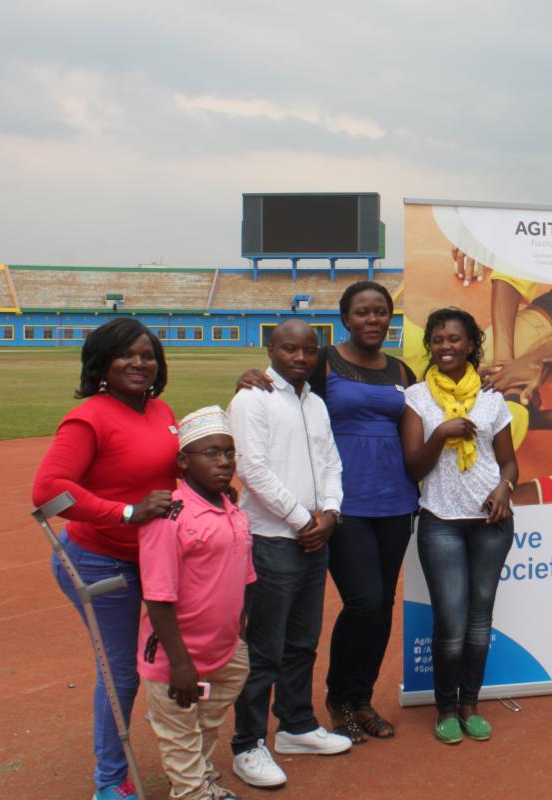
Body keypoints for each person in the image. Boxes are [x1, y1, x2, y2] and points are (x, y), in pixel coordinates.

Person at [237, 282, 418, 743]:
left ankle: (362, 698)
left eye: (381, 312)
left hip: (396, 501)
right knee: (363, 603)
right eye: (362, 312)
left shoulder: (402, 370)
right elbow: (283, 391)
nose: (372, 320)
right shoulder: (322, 364)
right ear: (345, 318)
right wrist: (248, 377)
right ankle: (338, 698)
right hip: (343, 507)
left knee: (382, 607)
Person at [31, 318, 178, 800]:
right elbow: (48, 493)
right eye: (126, 355)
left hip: (155, 558)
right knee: (120, 672)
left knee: (177, 656)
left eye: (147, 355)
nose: (139, 363)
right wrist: (127, 512)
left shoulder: (161, 411)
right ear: (101, 363)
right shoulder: (89, 417)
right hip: (100, 564)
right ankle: (110, 782)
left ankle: (185, 758)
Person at [228, 319, 350, 790]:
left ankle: (296, 725)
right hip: (272, 539)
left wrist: (332, 513)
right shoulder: (251, 399)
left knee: (302, 642)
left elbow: (331, 461)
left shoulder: (316, 403)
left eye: (308, 351)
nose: (299, 358)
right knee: (264, 650)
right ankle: (247, 744)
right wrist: (304, 520)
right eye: (289, 349)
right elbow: (251, 468)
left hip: (314, 537)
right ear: (270, 348)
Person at [400, 307, 519, 744]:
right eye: (438, 340)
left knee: (479, 620)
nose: (445, 346)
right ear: (430, 346)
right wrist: (441, 434)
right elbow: (413, 465)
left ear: (471, 344)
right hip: (441, 522)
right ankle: (445, 708)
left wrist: (506, 487)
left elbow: (507, 460)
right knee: (450, 623)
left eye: (454, 339)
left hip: (491, 521)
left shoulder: (491, 398)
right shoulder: (416, 397)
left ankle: (471, 703)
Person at [138, 406, 252, 800]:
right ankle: (191, 791)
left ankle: (198, 779)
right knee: (181, 733)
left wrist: (239, 633)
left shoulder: (232, 510)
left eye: (229, 453)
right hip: (179, 657)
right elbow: (157, 596)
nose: (224, 463)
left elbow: (243, 578)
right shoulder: (170, 516)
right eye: (211, 453)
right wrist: (181, 664)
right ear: (184, 460)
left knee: (206, 724)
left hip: (224, 651)